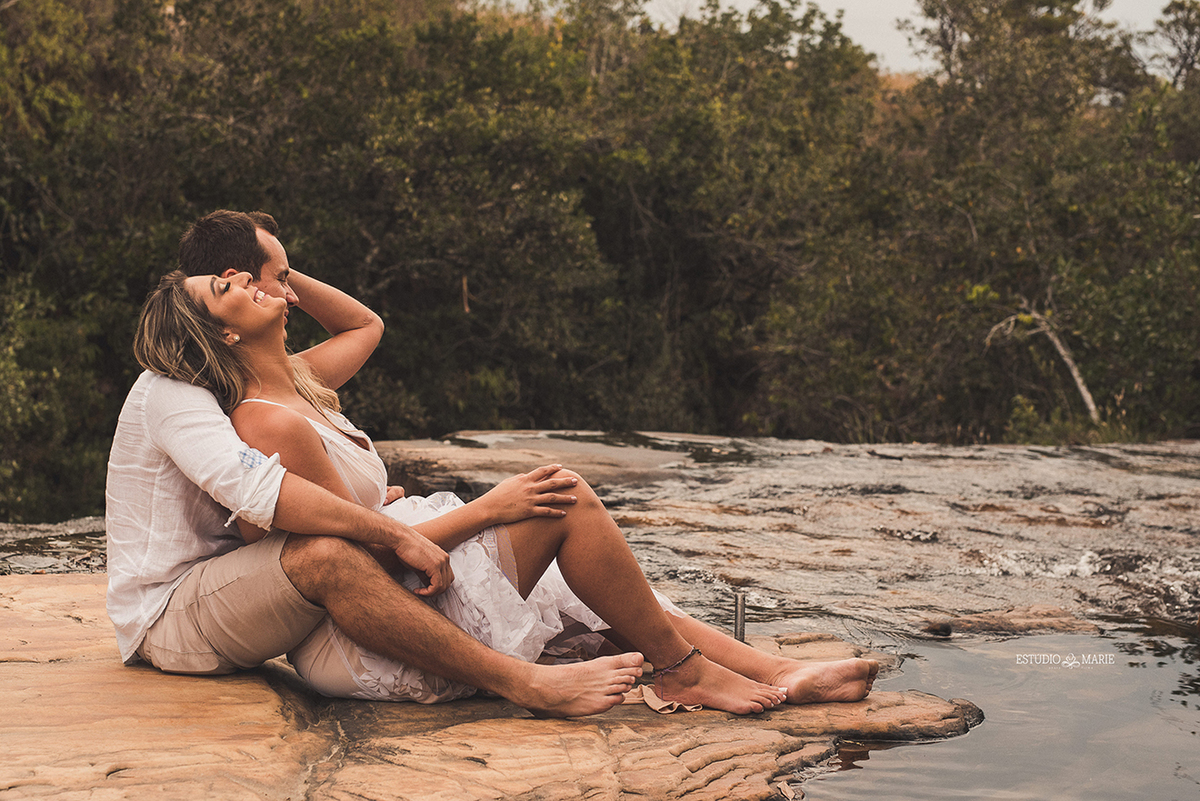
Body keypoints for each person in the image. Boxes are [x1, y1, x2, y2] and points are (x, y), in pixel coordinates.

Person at [108, 209, 878, 716]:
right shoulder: (254, 415)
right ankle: (684, 671)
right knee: (555, 499)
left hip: (374, 571)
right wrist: (481, 509)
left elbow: (367, 324)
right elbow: (355, 550)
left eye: (256, 274)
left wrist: (281, 271)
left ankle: (769, 667)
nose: (254, 283)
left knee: (578, 573)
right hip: (340, 616)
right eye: (235, 284)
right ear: (229, 331)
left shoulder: (301, 381)